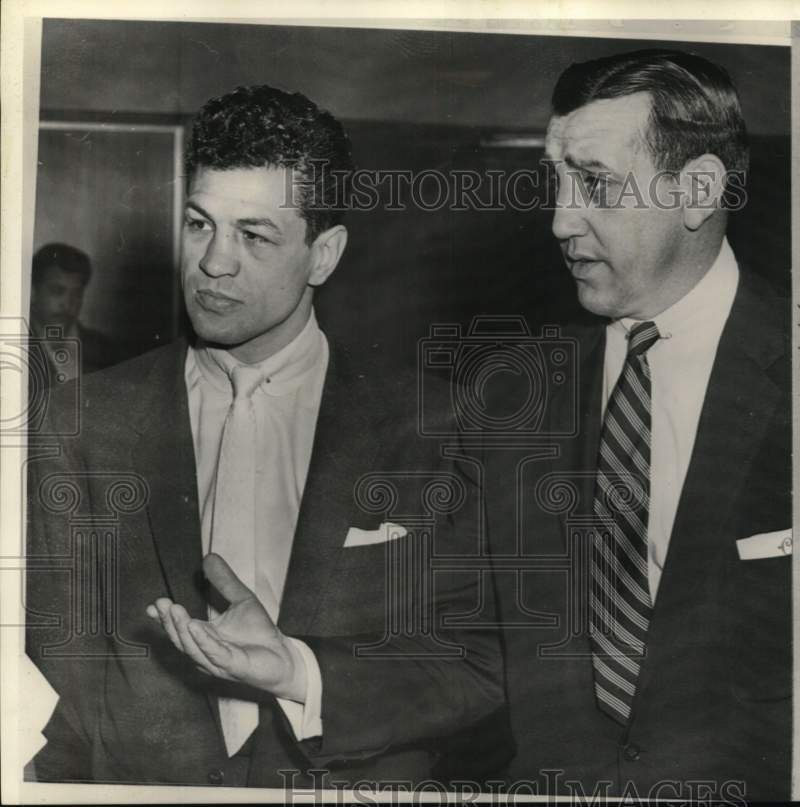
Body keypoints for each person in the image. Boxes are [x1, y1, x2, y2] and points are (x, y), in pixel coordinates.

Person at [25, 85, 502, 788]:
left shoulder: (435, 426)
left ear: (323, 254)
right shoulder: (80, 422)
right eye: (198, 225)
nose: (214, 264)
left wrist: (302, 672)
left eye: (253, 235)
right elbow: (53, 679)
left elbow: (475, 667)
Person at [474, 50, 791, 801]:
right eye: (556, 181)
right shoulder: (511, 396)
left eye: (595, 183)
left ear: (698, 190)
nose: (559, 220)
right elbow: (472, 654)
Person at [30, 243, 125, 378]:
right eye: (57, 291)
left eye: (76, 293)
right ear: (33, 293)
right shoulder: (13, 347)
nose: (67, 303)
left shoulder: (104, 350)